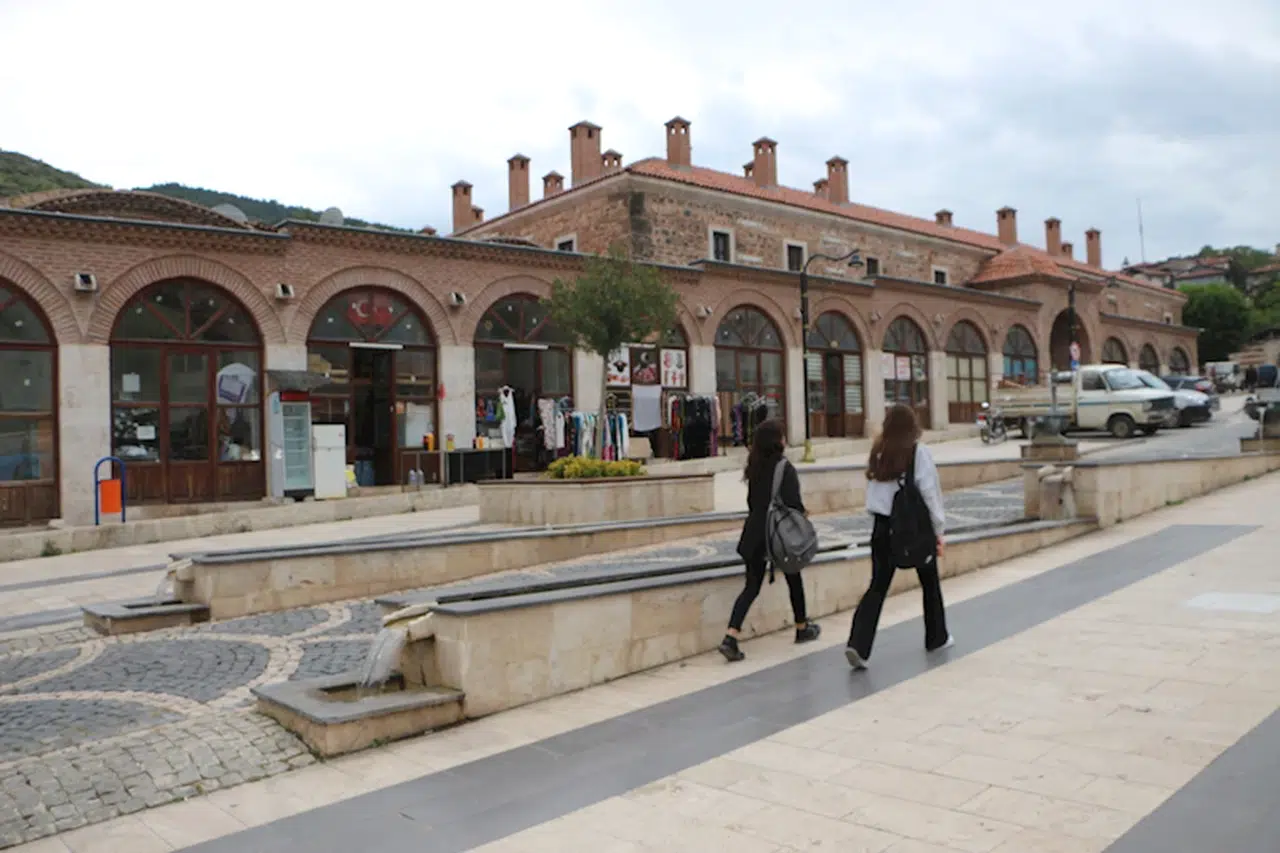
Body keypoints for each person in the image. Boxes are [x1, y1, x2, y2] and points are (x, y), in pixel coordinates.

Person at [846, 404, 951, 670]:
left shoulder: (879, 453)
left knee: (878, 585)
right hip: (912, 526)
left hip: (882, 527)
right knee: (929, 581)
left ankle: (858, 644)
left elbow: (873, 496)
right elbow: (930, 493)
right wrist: (939, 530)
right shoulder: (919, 453)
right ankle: (936, 637)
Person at [719, 418, 822, 661]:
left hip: (753, 533)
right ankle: (801, 627)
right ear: (778, 441)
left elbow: (753, 503)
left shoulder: (754, 466)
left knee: (751, 587)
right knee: (794, 576)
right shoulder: (784, 467)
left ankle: (730, 637)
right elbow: (793, 504)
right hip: (777, 535)